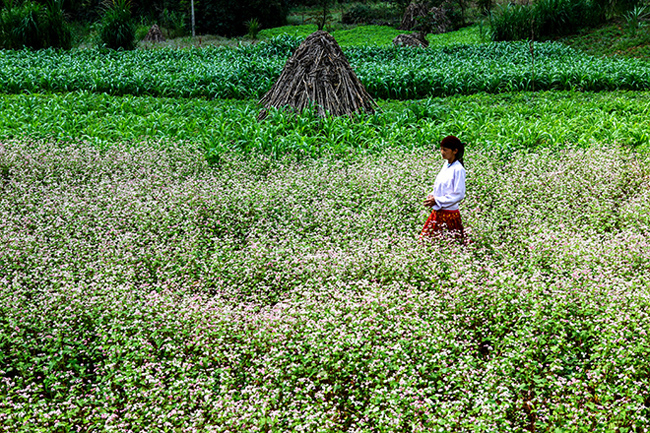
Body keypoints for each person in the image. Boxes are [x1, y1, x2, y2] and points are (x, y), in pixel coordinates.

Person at [420, 135, 466, 240]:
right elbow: (441, 185)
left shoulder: (458, 169)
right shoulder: (446, 165)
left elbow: (459, 194)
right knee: (427, 241)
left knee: (449, 243)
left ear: (455, 151)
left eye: (445, 150)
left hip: (449, 214)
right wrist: (433, 196)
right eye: (441, 149)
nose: (442, 152)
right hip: (438, 211)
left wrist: (437, 200)